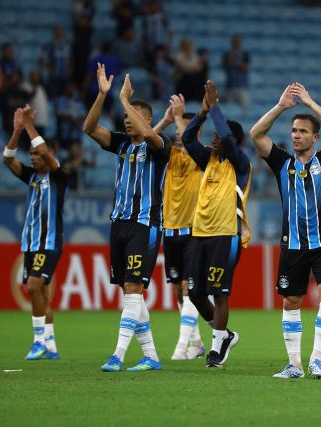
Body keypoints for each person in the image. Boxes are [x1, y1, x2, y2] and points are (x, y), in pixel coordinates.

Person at [250, 83, 321, 379]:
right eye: (294, 130)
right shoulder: (282, 162)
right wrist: (281, 106)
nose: (296, 135)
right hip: (292, 245)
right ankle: (295, 364)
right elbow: (256, 134)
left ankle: (316, 358)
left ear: (315, 137)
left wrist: (310, 103)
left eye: (303, 131)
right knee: (291, 302)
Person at [83, 64, 169, 372]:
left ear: (147, 119)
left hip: (144, 224)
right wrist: (103, 95)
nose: (126, 122)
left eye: (133, 117)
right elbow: (89, 129)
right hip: (118, 223)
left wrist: (124, 101)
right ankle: (152, 357)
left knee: (134, 288)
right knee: (128, 290)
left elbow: (148, 134)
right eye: (125, 118)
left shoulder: (160, 146)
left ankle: (118, 355)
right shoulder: (120, 144)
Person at [181, 81, 251, 367]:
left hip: (226, 234)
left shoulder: (240, 162)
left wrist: (216, 106)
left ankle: (216, 347)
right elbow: (187, 139)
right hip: (199, 233)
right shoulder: (207, 158)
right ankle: (224, 335)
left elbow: (226, 135)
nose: (213, 138)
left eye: (218, 137)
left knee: (219, 292)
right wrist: (201, 113)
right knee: (196, 293)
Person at [2, 106, 69, 360]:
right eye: (29, 154)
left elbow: (44, 151)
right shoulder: (31, 176)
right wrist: (17, 130)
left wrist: (30, 125)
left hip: (49, 242)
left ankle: (38, 341)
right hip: (30, 243)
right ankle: (50, 345)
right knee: (40, 293)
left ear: (48, 156)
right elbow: (7, 159)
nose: (32, 158)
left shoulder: (59, 176)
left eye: (36, 155)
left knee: (32, 286)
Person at [153, 94, 205, 360]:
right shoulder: (167, 155)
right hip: (169, 230)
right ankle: (195, 342)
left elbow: (189, 141)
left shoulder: (200, 157)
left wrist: (178, 117)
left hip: (192, 231)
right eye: (174, 130)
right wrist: (165, 121)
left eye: (179, 129)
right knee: (177, 289)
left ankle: (181, 346)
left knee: (188, 286)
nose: (177, 134)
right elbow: (145, 140)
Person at [222, 34, 250, 107]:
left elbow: (245, 67)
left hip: (242, 86)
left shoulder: (244, 54)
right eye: (234, 41)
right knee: (228, 109)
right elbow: (224, 65)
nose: (236, 43)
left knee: (245, 108)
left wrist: (235, 61)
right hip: (230, 86)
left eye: (238, 41)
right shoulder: (227, 54)